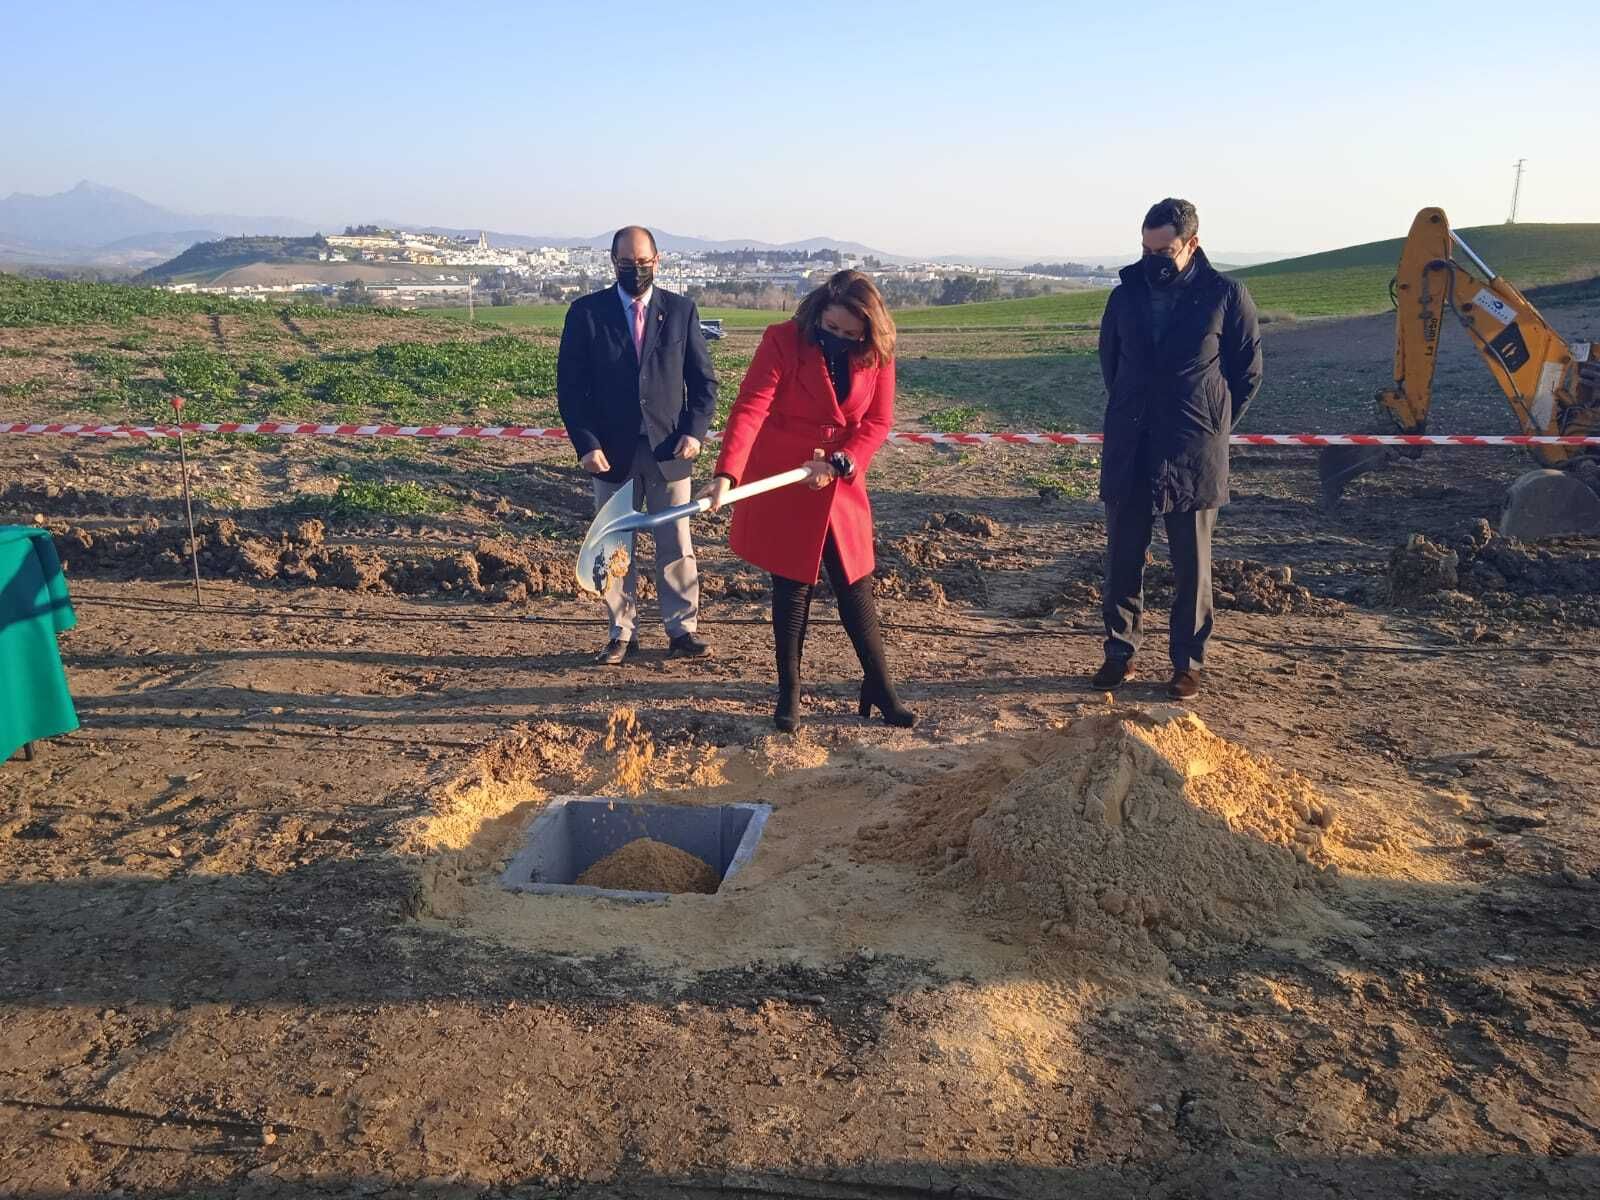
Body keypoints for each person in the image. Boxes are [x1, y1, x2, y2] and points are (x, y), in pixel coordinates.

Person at [699, 270, 914, 733]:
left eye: (850, 334)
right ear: (818, 312)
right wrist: (726, 474)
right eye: (831, 329)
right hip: (787, 476)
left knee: (856, 587)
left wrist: (842, 462)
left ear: (867, 332)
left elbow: (877, 422)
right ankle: (789, 692)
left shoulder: (878, 354)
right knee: (792, 586)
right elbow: (752, 406)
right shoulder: (783, 339)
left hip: (839, 480)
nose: (838, 339)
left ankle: (880, 686)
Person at [1092, 198, 1263, 699]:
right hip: (1131, 445)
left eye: (1164, 250)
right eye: (1146, 248)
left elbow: (1246, 373)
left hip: (1193, 451)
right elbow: (1112, 362)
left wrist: (1210, 421)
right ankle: (1118, 653)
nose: (1154, 258)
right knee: (1123, 556)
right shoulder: (1124, 296)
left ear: (1192, 244)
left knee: (1192, 565)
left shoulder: (1227, 296)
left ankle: (1188, 663)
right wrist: (1134, 408)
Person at [557, 225, 719, 664]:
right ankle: (621, 631)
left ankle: (682, 630)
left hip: (670, 452)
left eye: (643, 263)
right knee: (614, 547)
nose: (636, 270)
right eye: (627, 263)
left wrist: (695, 432)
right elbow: (572, 390)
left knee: (676, 542)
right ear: (612, 262)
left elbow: (703, 383)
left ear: (658, 260)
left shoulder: (681, 311)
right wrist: (586, 444)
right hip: (610, 453)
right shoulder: (587, 313)